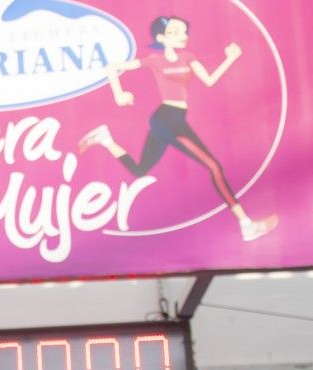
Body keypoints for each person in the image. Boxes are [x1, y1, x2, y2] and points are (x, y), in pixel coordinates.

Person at [76, 15, 278, 241]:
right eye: (174, 32)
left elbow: (209, 80)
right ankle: (246, 224)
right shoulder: (154, 60)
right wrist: (119, 95)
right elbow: (112, 68)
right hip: (166, 119)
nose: (181, 36)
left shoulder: (188, 57)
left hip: (173, 118)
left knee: (139, 170)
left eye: (183, 32)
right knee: (214, 167)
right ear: (161, 37)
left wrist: (230, 59)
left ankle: (105, 139)